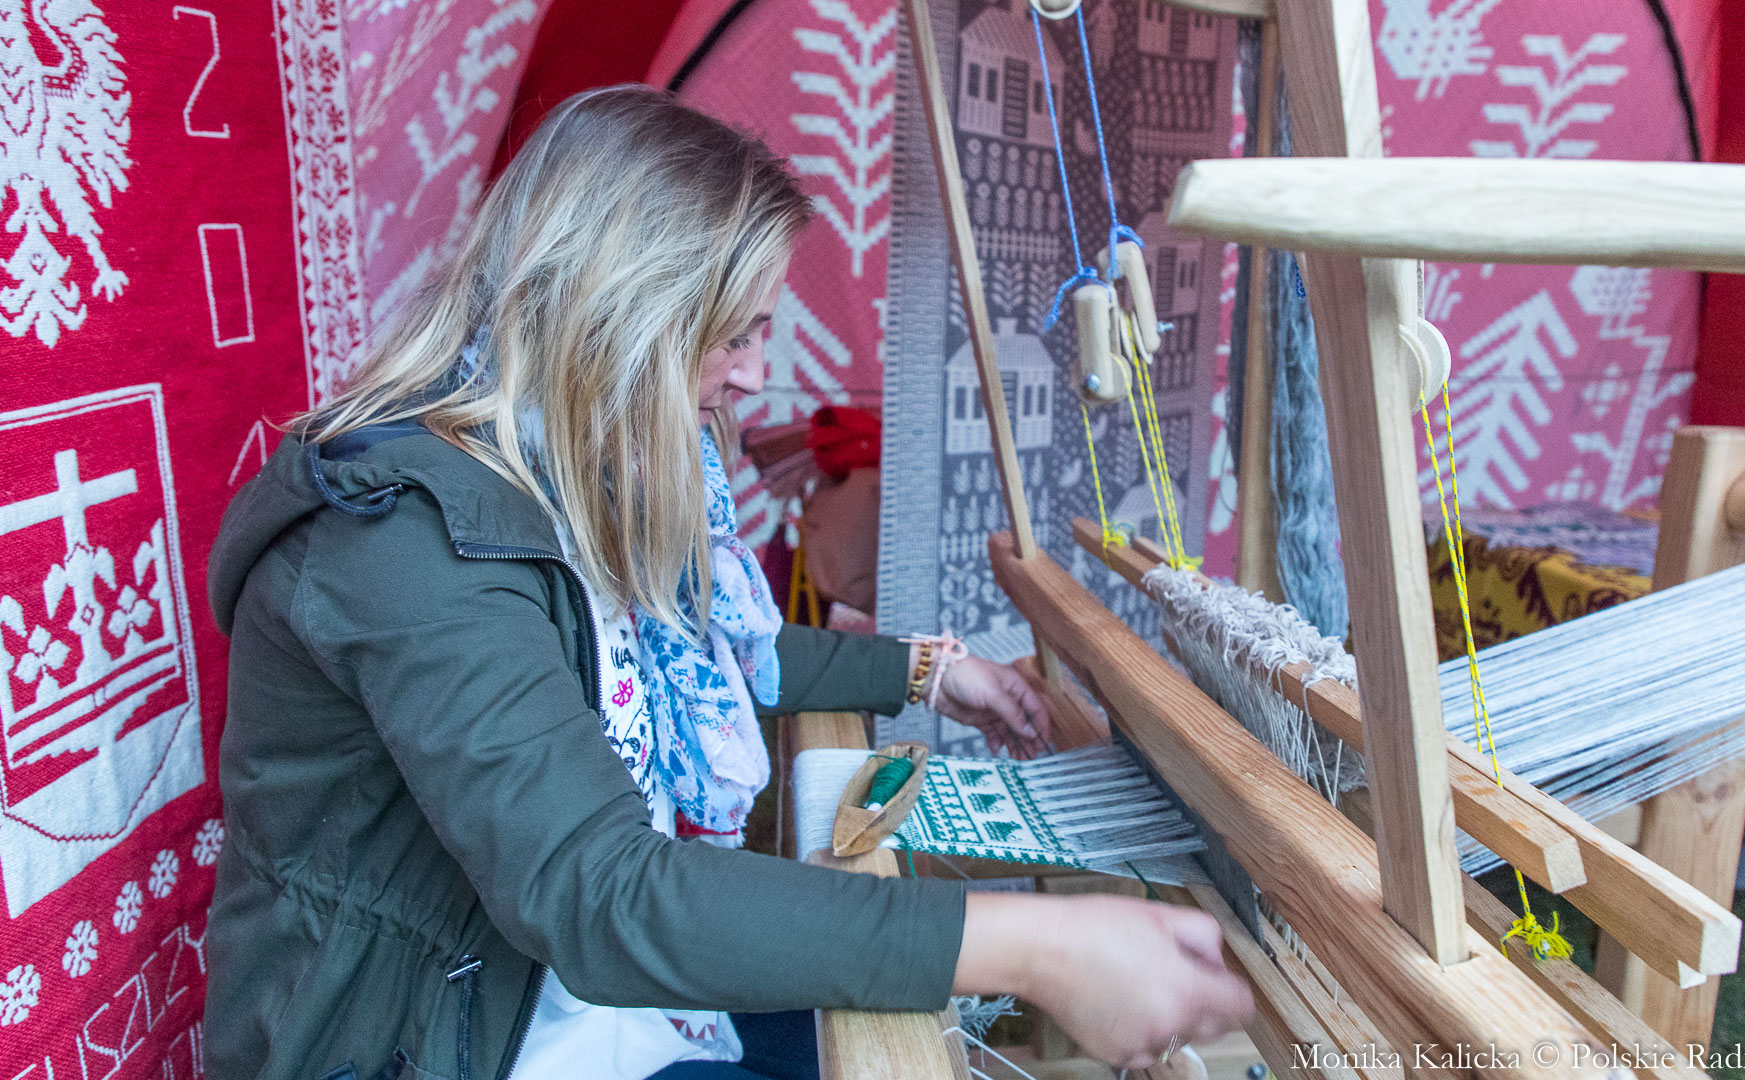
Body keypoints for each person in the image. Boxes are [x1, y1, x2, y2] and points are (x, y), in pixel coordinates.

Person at [204, 85, 1252, 1080]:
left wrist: (931, 674)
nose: (757, 370)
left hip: (574, 1004)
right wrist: (1039, 946)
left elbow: (705, 658)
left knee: (840, 1011)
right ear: (618, 316)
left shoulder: (567, 478)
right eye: (737, 331)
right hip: (439, 1038)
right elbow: (596, 892)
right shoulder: (410, 540)